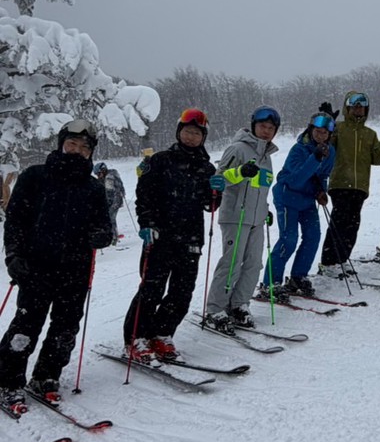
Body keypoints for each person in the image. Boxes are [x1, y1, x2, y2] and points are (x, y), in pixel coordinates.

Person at [0, 119, 113, 412]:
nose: (76, 151)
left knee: (65, 330)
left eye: (84, 147)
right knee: (26, 327)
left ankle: (46, 377)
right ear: (62, 144)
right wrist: (13, 255)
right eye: (71, 144)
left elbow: (104, 227)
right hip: (36, 267)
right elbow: (15, 222)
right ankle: (7, 381)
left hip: (75, 271)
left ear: (90, 153)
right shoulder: (35, 177)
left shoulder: (93, 188)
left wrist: (101, 236)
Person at [122, 108, 223, 362]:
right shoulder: (160, 160)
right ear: (179, 132)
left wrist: (216, 191)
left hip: (190, 238)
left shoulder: (206, 167)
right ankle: (136, 337)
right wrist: (147, 223)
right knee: (151, 288)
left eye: (197, 134)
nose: (191, 137)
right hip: (160, 235)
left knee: (182, 290)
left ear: (203, 137)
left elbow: (209, 206)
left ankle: (162, 333)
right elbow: (144, 194)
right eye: (187, 132)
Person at [204, 106, 280, 331]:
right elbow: (217, 181)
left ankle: (239, 304)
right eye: (262, 126)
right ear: (253, 125)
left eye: (270, 128)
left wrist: (265, 209)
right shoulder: (237, 149)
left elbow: (261, 188)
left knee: (254, 264)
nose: (266, 131)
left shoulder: (267, 156)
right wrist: (239, 173)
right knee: (231, 263)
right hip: (235, 216)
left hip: (256, 218)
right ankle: (215, 308)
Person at [259, 114, 337, 300]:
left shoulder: (329, 151)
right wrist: (315, 158)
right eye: (317, 131)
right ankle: (270, 283)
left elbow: (323, 175)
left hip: (308, 199)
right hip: (287, 197)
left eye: (325, 132)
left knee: (313, 237)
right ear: (311, 129)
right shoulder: (299, 149)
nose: (321, 135)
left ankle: (298, 277)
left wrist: (321, 191)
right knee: (289, 239)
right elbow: (296, 179)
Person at [317, 91, 380, 276]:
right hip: (340, 183)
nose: (358, 110)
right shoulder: (340, 128)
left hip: (360, 186)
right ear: (347, 108)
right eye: (354, 106)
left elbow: (376, 158)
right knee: (339, 222)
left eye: (362, 106)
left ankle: (342, 259)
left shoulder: (370, 134)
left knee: (353, 224)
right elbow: (326, 145)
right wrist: (328, 124)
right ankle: (328, 262)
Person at [95, 161, 126, 244]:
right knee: (111, 218)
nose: (98, 176)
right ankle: (114, 235)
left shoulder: (109, 177)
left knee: (110, 218)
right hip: (118, 198)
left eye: (98, 174)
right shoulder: (112, 173)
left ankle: (113, 237)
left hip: (114, 200)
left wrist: (106, 203)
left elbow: (109, 191)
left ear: (103, 170)